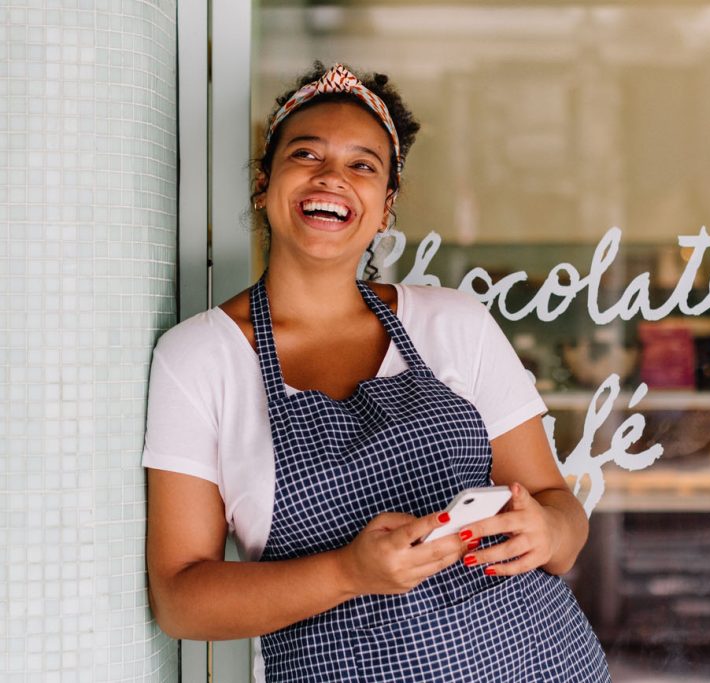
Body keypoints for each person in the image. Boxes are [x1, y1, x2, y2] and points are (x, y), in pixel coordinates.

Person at [143, 61, 611, 682]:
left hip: (543, 663)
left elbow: (562, 514)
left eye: (362, 164)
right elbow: (180, 600)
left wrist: (547, 532)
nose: (332, 177)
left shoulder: (454, 323)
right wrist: (348, 573)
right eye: (306, 154)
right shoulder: (198, 359)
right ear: (264, 183)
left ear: (385, 206)